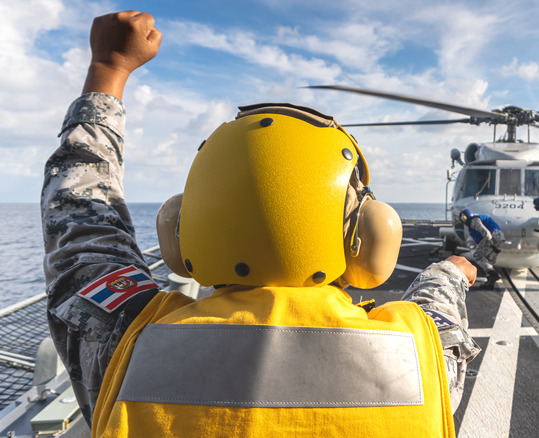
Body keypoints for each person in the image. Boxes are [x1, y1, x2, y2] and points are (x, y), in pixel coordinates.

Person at [41, 11, 481, 437]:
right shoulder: (420, 356)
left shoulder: (128, 342)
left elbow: (80, 224)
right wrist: (449, 272)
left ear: (179, 229)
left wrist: (108, 68)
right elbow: (437, 311)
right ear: (368, 236)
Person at [458, 209, 504, 289]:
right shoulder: (475, 220)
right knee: (488, 261)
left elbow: (486, 233)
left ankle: (493, 274)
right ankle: (490, 282)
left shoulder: (473, 221)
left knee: (477, 256)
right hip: (499, 238)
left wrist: (491, 245)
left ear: (464, 217)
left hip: (492, 238)